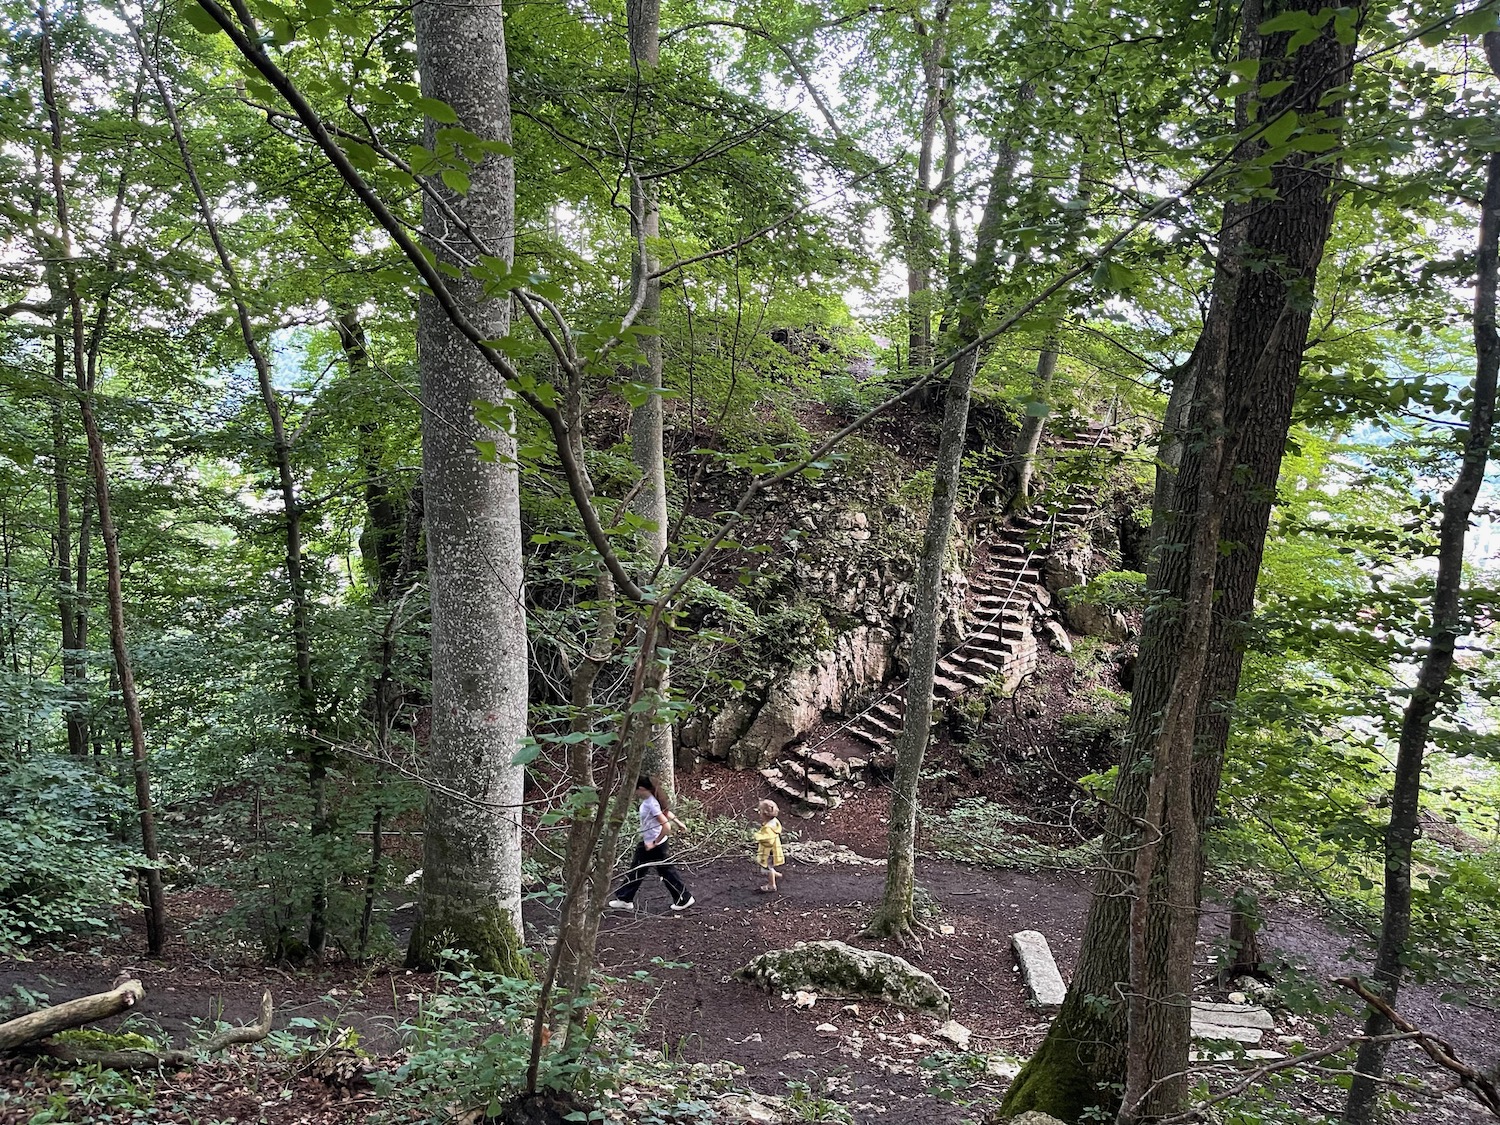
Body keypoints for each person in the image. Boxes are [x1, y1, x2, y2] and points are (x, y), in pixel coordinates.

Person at [609, 776, 694, 912]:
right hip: (651, 842)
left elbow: (666, 827)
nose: (635, 793)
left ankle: (684, 897)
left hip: (654, 844)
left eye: (636, 790)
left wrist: (654, 843)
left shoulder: (650, 803)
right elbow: (666, 813)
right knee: (639, 869)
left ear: (642, 789)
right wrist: (679, 823)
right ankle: (625, 898)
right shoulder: (653, 800)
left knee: (662, 871)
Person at [754, 798, 785, 893]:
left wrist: (757, 836)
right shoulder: (775, 822)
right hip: (775, 848)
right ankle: (775, 874)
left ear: (764, 814)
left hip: (769, 851)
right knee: (770, 865)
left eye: (759, 812)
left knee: (767, 867)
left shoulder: (768, 828)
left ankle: (772, 885)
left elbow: (768, 840)